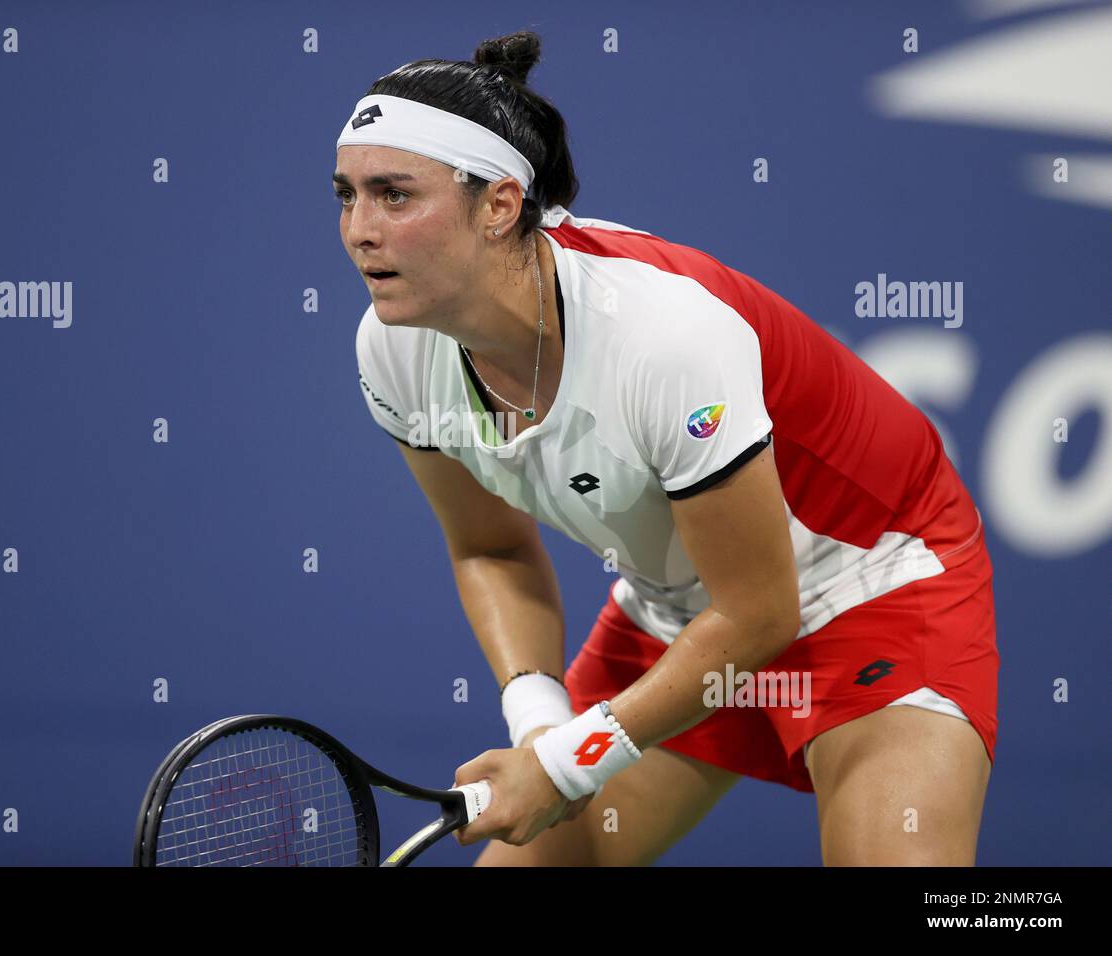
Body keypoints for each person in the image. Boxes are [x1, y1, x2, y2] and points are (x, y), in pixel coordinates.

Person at [335, 31, 998, 866]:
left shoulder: (662, 337)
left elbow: (762, 613)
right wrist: (541, 723)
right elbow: (490, 545)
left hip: (868, 582)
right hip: (681, 614)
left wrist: (573, 763)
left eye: (395, 195)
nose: (359, 229)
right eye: (346, 194)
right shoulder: (392, 349)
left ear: (500, 204)